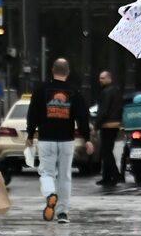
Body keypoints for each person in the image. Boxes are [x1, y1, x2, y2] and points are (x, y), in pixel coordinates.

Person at [27, 58, 92, 223]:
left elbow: (32, 113)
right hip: (66, 140)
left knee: (47, 172)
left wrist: (29, 134)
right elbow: (83, 117)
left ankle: (50, 195)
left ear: (52, 70)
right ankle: (62, 213)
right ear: (68, 72)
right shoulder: (74, 92)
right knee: (65, 176)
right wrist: (87, 138)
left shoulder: (41, 89)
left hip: (46, 139)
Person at [95, 71, 123, 188]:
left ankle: (115, 175)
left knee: (106, 152)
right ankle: (107, 177)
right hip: (115, 124)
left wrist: (97, 124)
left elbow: (103, 110)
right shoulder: (116, 91)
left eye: (102, 78)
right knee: (107, 151)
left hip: (107, 124)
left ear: (109, 79)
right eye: (100, 78)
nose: (100, 80)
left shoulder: (106, 92)